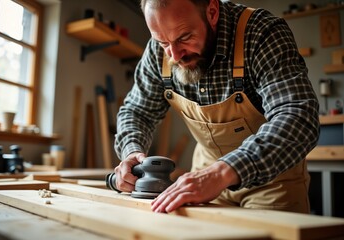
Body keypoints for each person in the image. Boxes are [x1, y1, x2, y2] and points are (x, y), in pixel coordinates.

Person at [113, 0, 320, 214]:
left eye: (184, 38)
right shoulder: (158, 51)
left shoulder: (261, 32)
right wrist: (132, 152)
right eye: (163, 43)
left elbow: (298, 116)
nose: (174, 55)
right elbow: (137, 111)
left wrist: (223, 173)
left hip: (272, 181)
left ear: (212, 12)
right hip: (202, 178)